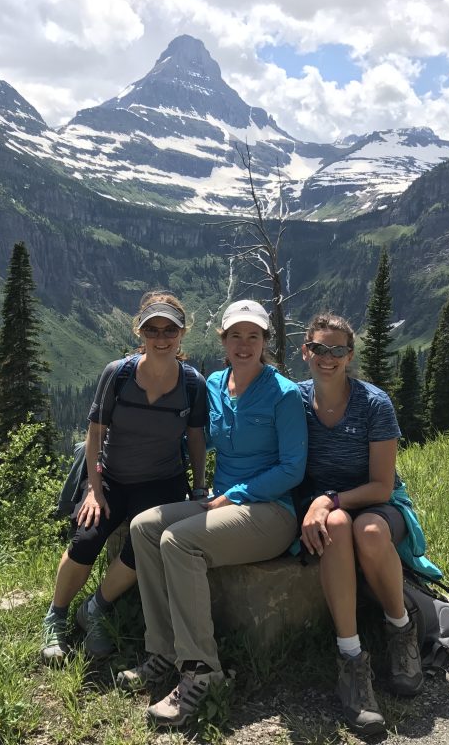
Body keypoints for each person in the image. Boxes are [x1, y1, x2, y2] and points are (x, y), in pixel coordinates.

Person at [120, 299, 307, 728]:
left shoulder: (284, 394)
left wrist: (237, 493)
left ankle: (203, 670)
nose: (244, 345)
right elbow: (196, 439)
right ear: (223, 340)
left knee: (178, 541)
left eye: (253, 336)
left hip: (269, 512)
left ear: (265, 342)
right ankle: (163, 649)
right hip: (221, 504)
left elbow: (292, 468)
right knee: (144, 526)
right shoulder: (216, 384)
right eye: (235, 336)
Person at [40, 292, 208, 663]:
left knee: (140, 548)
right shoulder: (119, 374)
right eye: (153, 330)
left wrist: (198, 487)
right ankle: (57, 615)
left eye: (170, 330)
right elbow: (96, 432)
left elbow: (195, 438)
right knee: (86, 538)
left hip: (163, 483)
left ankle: (96, 608)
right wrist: (93, 491)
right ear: (140, 332)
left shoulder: (192, 384)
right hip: (112, 477)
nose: (161, 338)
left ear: (182, 334)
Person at [297, 312, 440, 736]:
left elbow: (381, 485)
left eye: (337, 350)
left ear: (349, 355)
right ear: (306, 350)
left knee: (370, 531)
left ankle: (401, 630)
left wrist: (329, 498)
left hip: (379, 504)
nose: (328, 357)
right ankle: (351, 659)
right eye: (320, 348)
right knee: (339, 526)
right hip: (327, 510)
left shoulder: (373, 403)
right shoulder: (296, 401)